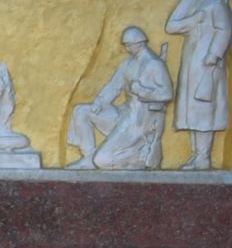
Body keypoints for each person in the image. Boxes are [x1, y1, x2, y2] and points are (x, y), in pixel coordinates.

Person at [66, 26, 174, 170]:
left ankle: (139, 158)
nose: (126, 49)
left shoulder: (154, 64)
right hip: (125, 114)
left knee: (102, 160)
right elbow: (114, 86)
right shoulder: (128, 63)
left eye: (129, 45)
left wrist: (142, 91)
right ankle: (88, 157)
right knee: (82, 111)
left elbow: (167, 94)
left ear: (140, 43)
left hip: (140, 122)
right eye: (125, 45)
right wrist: (99, 102)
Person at [164, 0, 230, 171]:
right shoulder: (188, 1)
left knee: (204, 108)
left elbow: (225, 30)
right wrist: (195, 19)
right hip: (192, 58)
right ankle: (196, 155)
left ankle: (204, 156)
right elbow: (171, 26)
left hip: (207, 62)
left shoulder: (215, 3)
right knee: (191, 108)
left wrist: (214, 55)